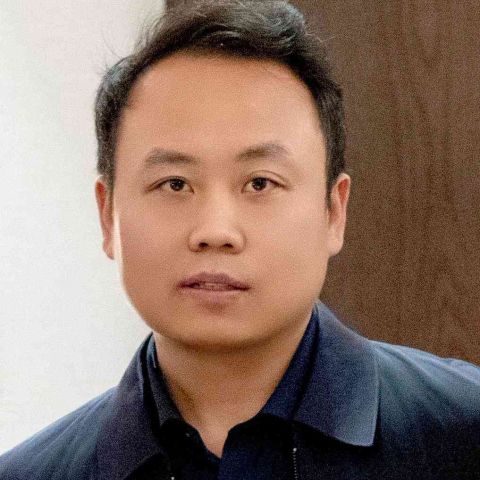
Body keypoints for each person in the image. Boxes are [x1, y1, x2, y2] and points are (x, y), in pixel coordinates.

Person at [1, 0, 479, 478]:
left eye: (260, 183)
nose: (215, 232)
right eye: (175, 184)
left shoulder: (462, 433)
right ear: (108, 216)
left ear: (334, 211)